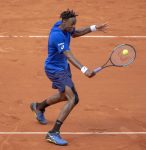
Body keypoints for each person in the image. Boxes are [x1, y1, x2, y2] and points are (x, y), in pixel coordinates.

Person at [30, 9, 108, 146]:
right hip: (55, 70)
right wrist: (84, 70)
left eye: (74, 24)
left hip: (63, 68)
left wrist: (94, 27)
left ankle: (38, 107)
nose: (73, 27)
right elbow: (68, 54)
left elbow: (76, 33)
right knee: (73, 98)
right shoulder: (57, 35)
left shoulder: (64, 26)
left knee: (64, 96)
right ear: (64, 21)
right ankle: (53, 133)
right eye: (71, 24)